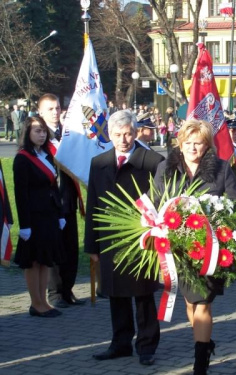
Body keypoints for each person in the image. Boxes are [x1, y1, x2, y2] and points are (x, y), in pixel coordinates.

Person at [153, 119, 236, 375]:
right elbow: (157, 203)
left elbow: (235, 204)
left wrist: (220, 227)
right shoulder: (165, 169)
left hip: (210, 249)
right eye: (188, 143)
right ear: (180, 143)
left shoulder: (222, 169)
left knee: (202, 302)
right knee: (191, 303)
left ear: (207, 145)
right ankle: (204, 341)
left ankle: (200, 362)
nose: (193, 148)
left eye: (199, 144)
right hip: (178, 248)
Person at [85, 110, 164, 366]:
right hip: (110, 238)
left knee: (142, 293)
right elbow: (93, 203)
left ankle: (147, 346)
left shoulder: (151, 161)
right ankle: (120, 343)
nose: (123, 139)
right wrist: (92, 244)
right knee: (116, 292)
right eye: (117, 134)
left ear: (136, 132)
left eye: (128, 133)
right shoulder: (99, 162)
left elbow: (161, 199)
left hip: (141, 236)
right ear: (109, 134)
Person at [13, 116, 65, 318]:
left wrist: (59, 213)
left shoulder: (46, 155)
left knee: (45, 260)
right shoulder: (22, 158)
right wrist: (25, 225)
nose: (42, 135)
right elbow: (21, 194)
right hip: (33, 217)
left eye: (43, 131)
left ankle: (44, 301)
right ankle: (36, 303)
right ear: (27, 133)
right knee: (33, 261)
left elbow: (53, 187)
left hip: (49, 215)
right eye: (37, 131)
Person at [38, 93, 84, 309]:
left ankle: (67, 289)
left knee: (70, 245)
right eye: (50, 109)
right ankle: (55, 292)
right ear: (40, 112)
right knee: (55, 246)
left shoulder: (66, 134)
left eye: (57, 108)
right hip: (51, 199)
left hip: (69, 196)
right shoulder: (39, 136)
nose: (55, 112)